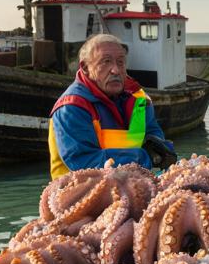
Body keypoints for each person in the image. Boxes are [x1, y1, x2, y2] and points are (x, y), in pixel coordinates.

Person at [48, 33, 176, 179]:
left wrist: (159, 149)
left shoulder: (139, 98)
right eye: (106, 62)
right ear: (85, 67)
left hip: (134, 186)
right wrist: (145, 157)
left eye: (120, 62)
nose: (115, 70)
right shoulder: (72, 108)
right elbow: (84, 162)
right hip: (80, 193)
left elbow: (153, 131)